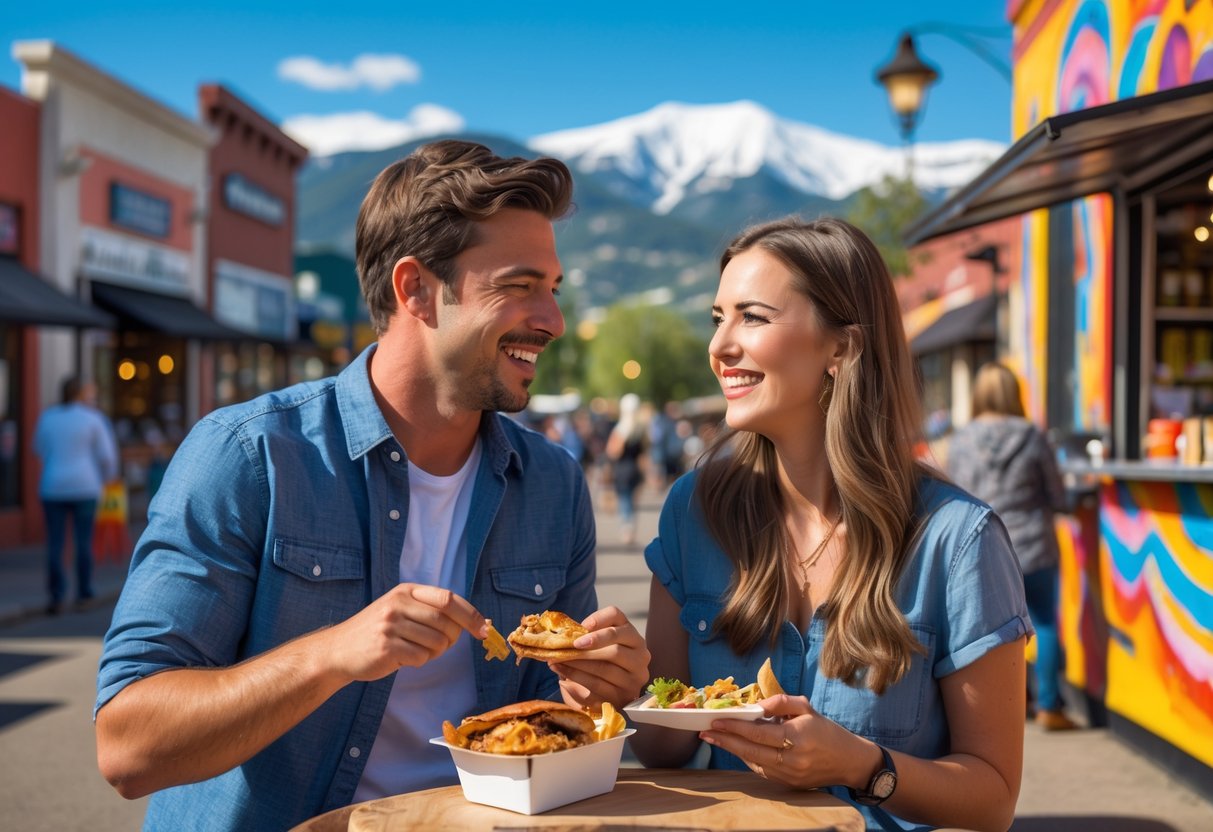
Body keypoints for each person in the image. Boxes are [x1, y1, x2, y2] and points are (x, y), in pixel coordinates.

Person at [95, 140, 650, 831]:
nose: (553, 320)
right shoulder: (250, 455)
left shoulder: (551, 485)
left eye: (553, 290)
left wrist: (602, 692)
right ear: (415, 289)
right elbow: (128, 747)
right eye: (518, 286)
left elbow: (551, 724)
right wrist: (333, 653)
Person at [632, 217, 1031, 832]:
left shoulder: (957, 540)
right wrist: (613, 689)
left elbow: (993, 798)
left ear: (841, 348)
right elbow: (663, 748)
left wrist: (864, 766)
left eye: (753, 317)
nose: (719, 347)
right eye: (718, 318)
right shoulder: (693, 510)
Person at [947, 361, 1077, 733]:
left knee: (990, 634)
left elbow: (955, 497)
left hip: (984, 548)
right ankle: (1050, 706)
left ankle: (1001, 709)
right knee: (1046, 623)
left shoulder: (962, 439)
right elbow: (1058, 496)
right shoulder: (1033, 437)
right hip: (1035, 545)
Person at [33, 376, 119, 614]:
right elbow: (108, 457)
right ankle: (83, 592)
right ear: (82, 394)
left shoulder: (48, 417)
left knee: (55, 543)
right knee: (83, 541)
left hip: (52, 485)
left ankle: (56, 595)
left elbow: (38, 448)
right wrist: (107, 479)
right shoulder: (93, 418)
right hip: (85, 485)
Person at [605, 393, 647, 545]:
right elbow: (644, 451)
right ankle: (630, 526)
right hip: (635, 469)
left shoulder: (621, 428)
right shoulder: (641, 429)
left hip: (622, 469)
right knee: (631, 499)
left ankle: (626, 527)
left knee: (624, 498)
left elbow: (613, 451)